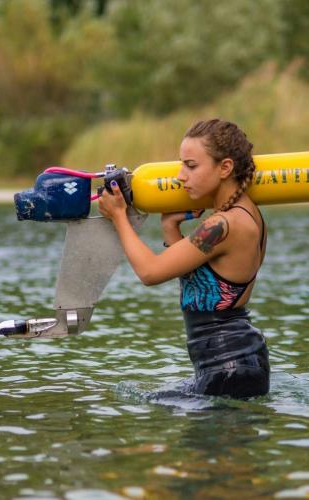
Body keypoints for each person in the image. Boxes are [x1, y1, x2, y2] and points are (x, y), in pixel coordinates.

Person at [98, 118, 269, 398]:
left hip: (228, 367)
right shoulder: (247, 215)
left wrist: (118, 217)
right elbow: (201, 284)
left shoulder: (222, 226)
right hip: (235, 362)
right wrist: (170, 229)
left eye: (191, 166)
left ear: (225, 167)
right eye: (181, 164)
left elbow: (150, 273)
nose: (180, 175)